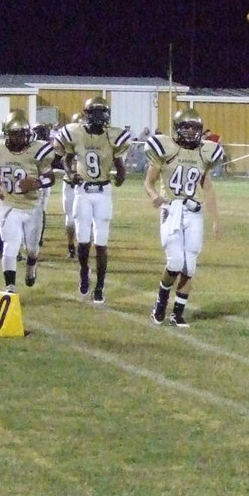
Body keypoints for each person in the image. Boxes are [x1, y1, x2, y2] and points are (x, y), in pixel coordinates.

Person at [144, 108, 223, 327]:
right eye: (185, 127)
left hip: (194, 211)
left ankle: (178, 313)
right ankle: (160, 302)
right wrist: (154, 196)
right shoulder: (166, 148)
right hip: (172, 209)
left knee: (190, 266)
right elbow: (148, 181)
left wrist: (216, 219)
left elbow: (207, 187)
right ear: (177, 129)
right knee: (176, 262)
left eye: (194, 127)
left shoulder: (205, 152)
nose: (189, 132)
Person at [53, 97, 131, 304]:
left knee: (102, 243)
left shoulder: (112, 136)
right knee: (84, 241)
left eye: (101, 112)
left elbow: (119, 163)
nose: (98, 117)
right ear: (86, 114)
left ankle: (100, 287)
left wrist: (121, 176)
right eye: (94, 113)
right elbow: (65, 157)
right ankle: (84, 272)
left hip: (103, 191)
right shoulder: (75, 132)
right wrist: (70, 172)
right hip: (83, 192)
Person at [0, 111, 55, 292]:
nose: (21, 138)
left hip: (32, 207)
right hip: (9, 204)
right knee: (10, 245)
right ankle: (10, 287)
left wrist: (37, 182)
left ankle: (31, 265)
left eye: (23, 134)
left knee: (32, 249)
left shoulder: (38, 150)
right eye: (16, 134)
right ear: (7, 134)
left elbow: (50, 177)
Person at [60, 112, 82, 260]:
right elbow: (63, 158)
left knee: (86, 219)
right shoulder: (66, 141)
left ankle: (82, 247)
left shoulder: (89, 141)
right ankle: (71, 246)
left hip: (85, 185)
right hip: (69, 183)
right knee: (70, 219)